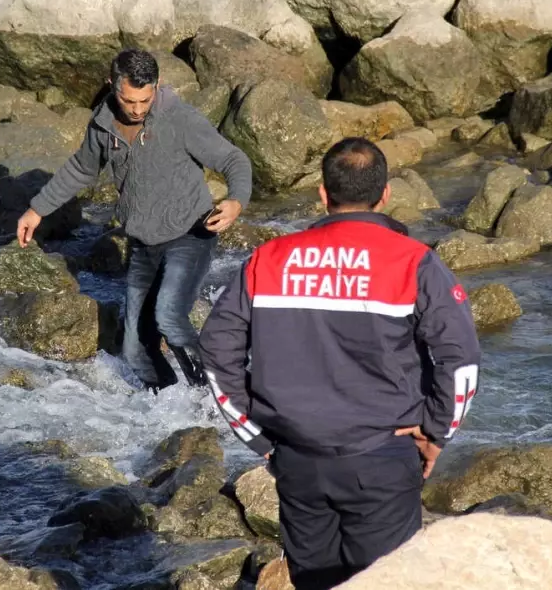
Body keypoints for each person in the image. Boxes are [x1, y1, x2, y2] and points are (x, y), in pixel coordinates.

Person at [198, 137, 481, 589]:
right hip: (381, 457)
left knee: (316, 582)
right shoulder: (414, 262)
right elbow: (461, 358)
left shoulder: (267, 260)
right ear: (385, 194)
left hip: (296, 458)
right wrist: (436, 431)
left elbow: (216, 350)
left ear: (323, 194)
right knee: (385, 581)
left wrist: (258, 437)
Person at [16, 48, 252, 394]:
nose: (138, 109)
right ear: (112, 85)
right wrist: (37, 209)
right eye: (129, 101)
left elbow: (233, 159)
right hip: (144, 244)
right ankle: (171, 409)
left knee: (169, 316)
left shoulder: (179, 119)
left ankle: (217, 398)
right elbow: (82, 169)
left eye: (145, 99)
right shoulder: (102, 125)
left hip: (191, 233)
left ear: (155, 87)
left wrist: (236, 201)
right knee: (135, 349)